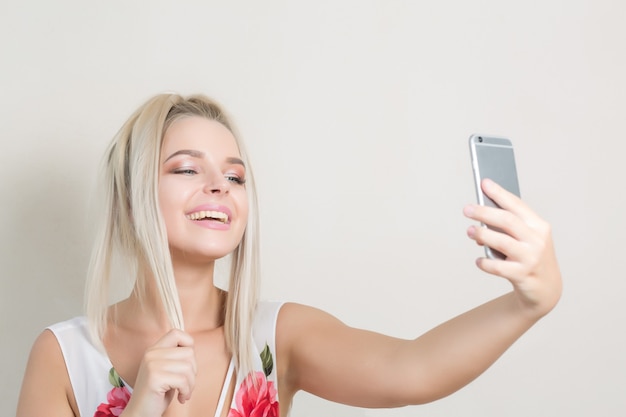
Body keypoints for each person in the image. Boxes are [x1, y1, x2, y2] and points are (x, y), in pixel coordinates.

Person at [16, 93, 562, 417]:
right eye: (186, 168)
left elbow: (411, 369)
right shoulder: (63, 357)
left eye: (235, 176)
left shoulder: (277, 335)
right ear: (131, 198)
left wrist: (529, 304)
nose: (219, 186)